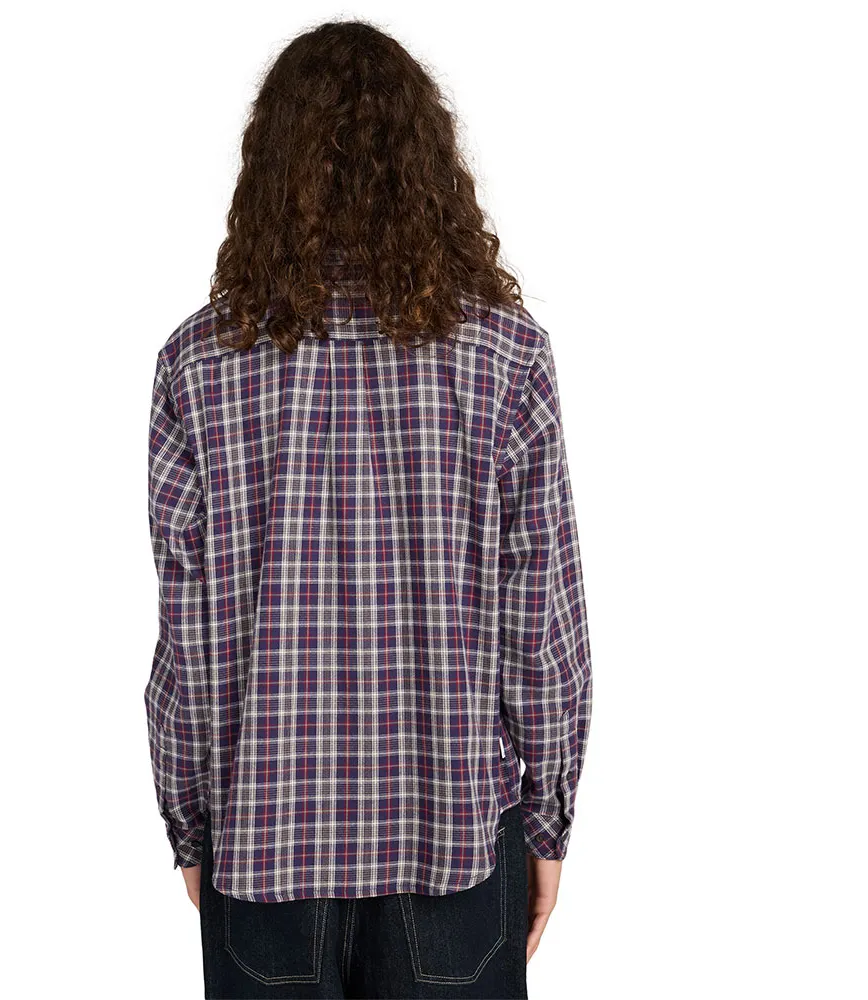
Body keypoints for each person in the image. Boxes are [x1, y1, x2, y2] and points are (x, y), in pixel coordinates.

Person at [145, 18, 593, 999]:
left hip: (262, 852)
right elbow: (543, 628)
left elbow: (190, 637)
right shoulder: (506, 356)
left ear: (269, 170)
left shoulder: (198, 364)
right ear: (428, 168)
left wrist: (191, 824)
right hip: (455, 849)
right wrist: (547, 822)